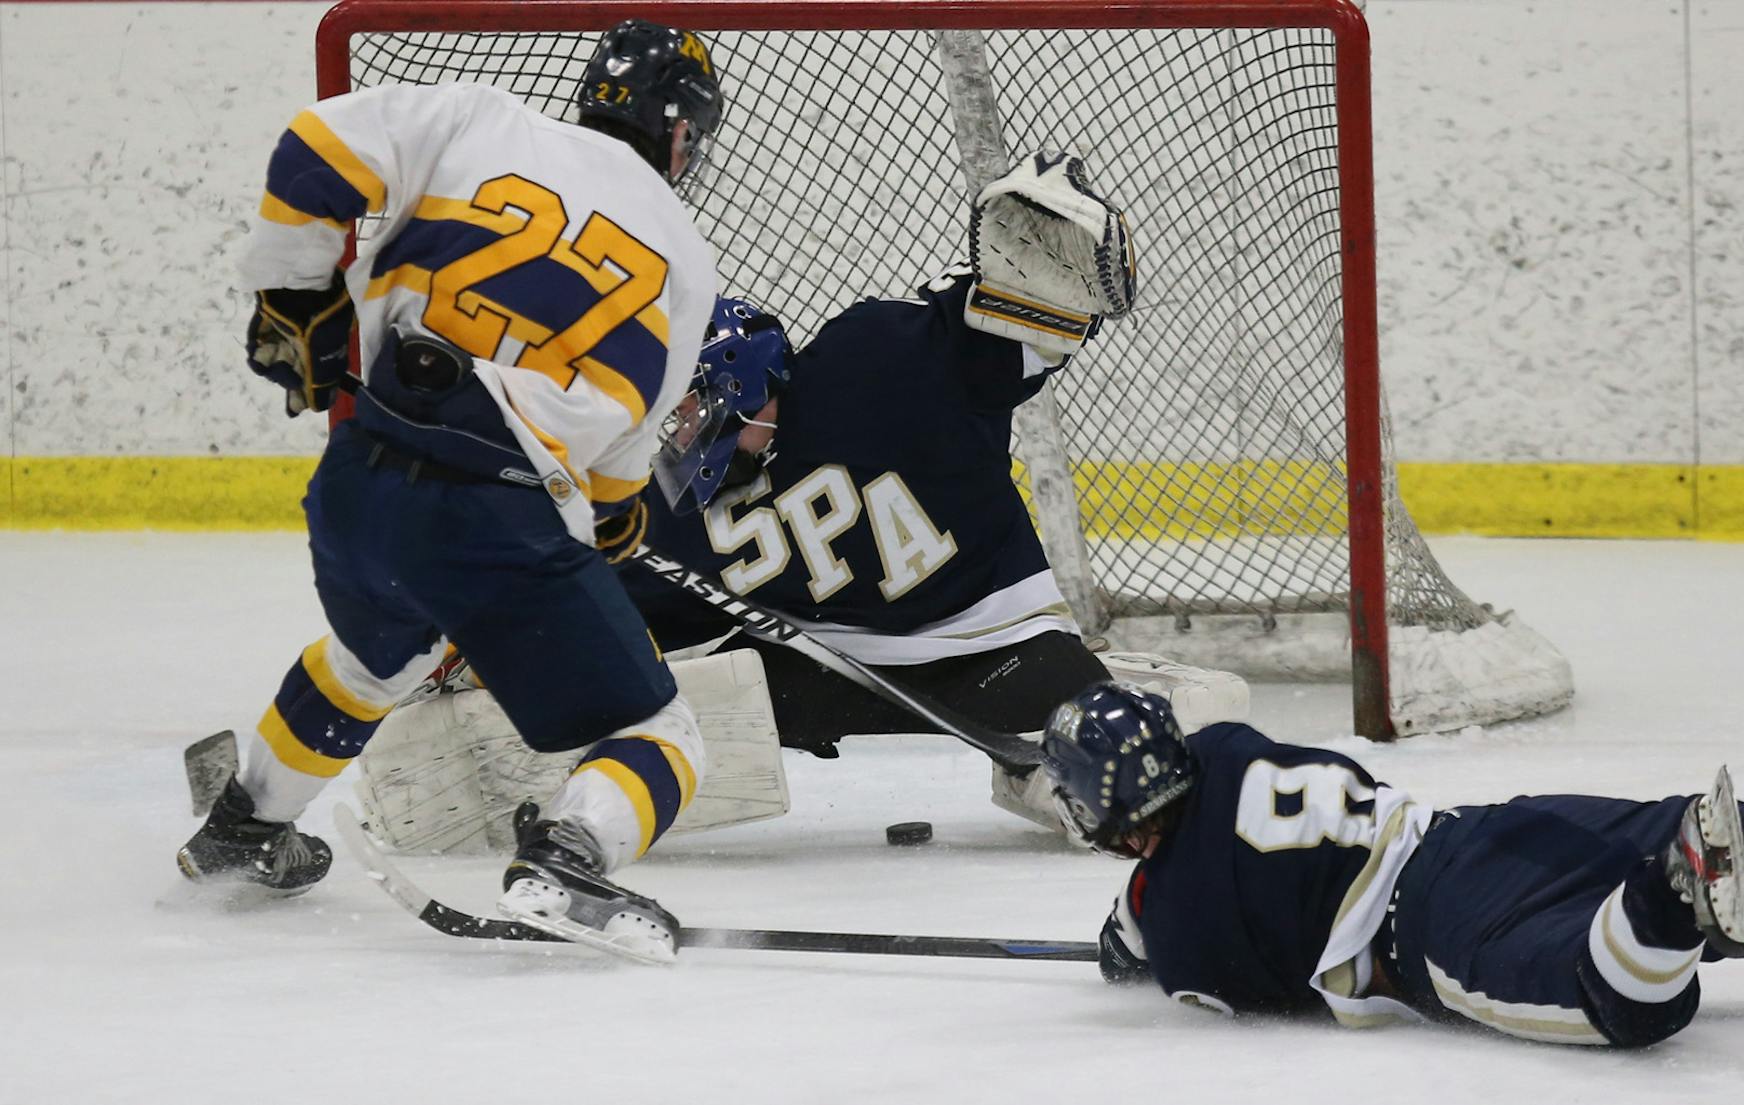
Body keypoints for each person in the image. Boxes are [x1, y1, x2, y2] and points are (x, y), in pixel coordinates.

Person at [349, 154, 1248, 855]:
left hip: (994, 644)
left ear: (739, 377)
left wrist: (1043, 268)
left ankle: (1052, 778)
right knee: (663, 699)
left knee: (1129, 761)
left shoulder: (876, 358)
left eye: (692, 406)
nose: (679, 429)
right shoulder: (677, 508)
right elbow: (596, 597)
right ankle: (589, 821)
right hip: (825, 676)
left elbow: (996, 335)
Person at [174, 20, 724, 964]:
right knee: (661, 731)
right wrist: (614, 518)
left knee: (370, 665)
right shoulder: (688, 262)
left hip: (361, 479)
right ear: (681, 134)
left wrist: (294, 296)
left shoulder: (476, 118)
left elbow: (313, 150)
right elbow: (611, 480)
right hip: (493, 512)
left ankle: (242, 828)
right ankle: (570, 855)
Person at [1041, 628, 1744, 1045]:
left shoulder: (1179, 920)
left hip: (1440, 929)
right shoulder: (1227, 745)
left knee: (1626, 1000)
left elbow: (1209, 963)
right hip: (1483, 833)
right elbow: (1185, 859)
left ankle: (1669, 890)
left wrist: (1129, 951)